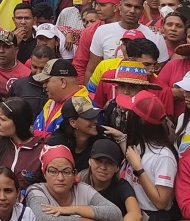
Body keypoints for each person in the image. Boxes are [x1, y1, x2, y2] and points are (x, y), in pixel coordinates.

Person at [101, 91, 178, 221]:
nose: (126, 114)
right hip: (132, 210)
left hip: (152, 216)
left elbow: (161, 202)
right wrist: (121, 138)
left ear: (140, 121)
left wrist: (138, 169)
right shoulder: (141, 143)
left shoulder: (164, 156)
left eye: (130, 112)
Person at [23, 145, 122, 221]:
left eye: (66, 172)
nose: (60, 178)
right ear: (44, 174)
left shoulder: (82, 189)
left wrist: (72, 209)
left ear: (74, 174)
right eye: (53, 171)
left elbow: (116, 213)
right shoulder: (36, 191)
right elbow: (43, 218)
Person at [77, 139, 141, 221]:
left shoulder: (122, 186)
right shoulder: (79, 181)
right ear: (89, 161)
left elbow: (135, 213)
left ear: (117, 168)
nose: (103, 167)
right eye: (98, 161)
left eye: (109, 163)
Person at [46, 96, 102, 167]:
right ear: (73, 122)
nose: (95, 121)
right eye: (89, 118)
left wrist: (117, 137)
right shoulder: (56, 145)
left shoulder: (101, 138)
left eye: (94, 117)